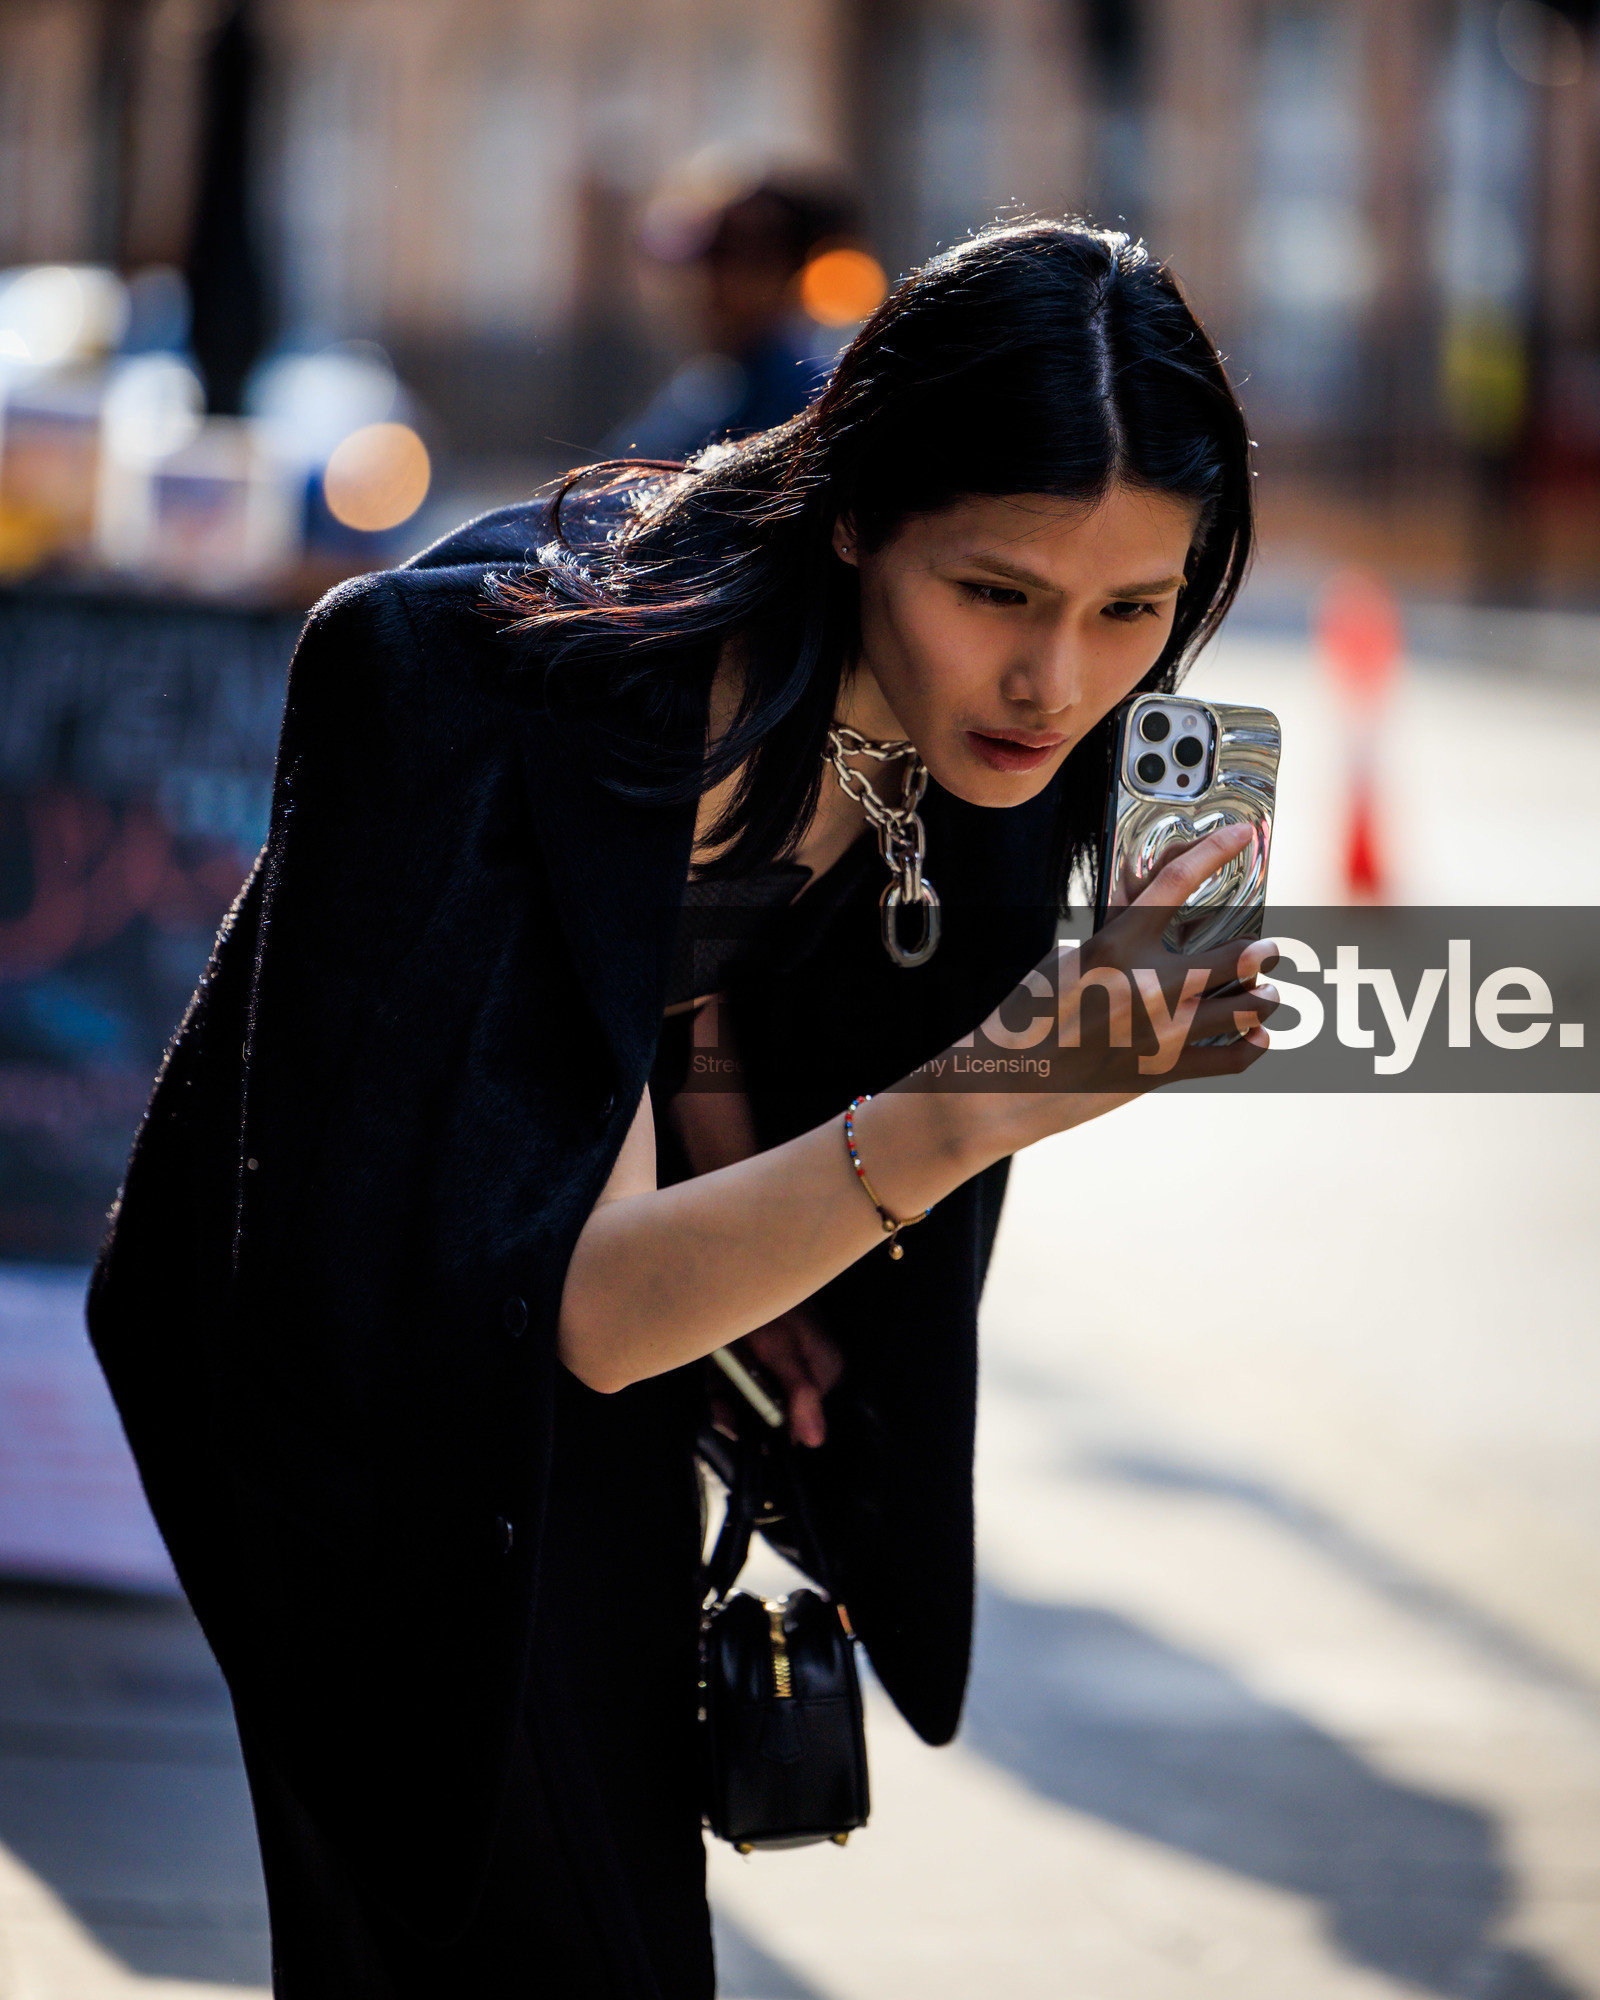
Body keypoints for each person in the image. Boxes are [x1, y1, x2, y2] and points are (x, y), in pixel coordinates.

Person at [88, 220, 1279, 1998]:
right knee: (482, 1921)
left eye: (1135, 608)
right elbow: (579, 1299)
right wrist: (1000, 1095)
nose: (1060, 680)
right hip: (354, 1389)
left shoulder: (1021, 738)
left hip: (618, 1361)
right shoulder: (478, 686)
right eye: (1001, 593)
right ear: (857, 508)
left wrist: (786, 1253)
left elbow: (690, 1023)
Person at [603, 167, 865, 460]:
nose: (706, 286)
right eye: (704, 262)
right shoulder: (710, 389)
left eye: (726, 260)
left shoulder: (810, 398)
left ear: (785, 272)